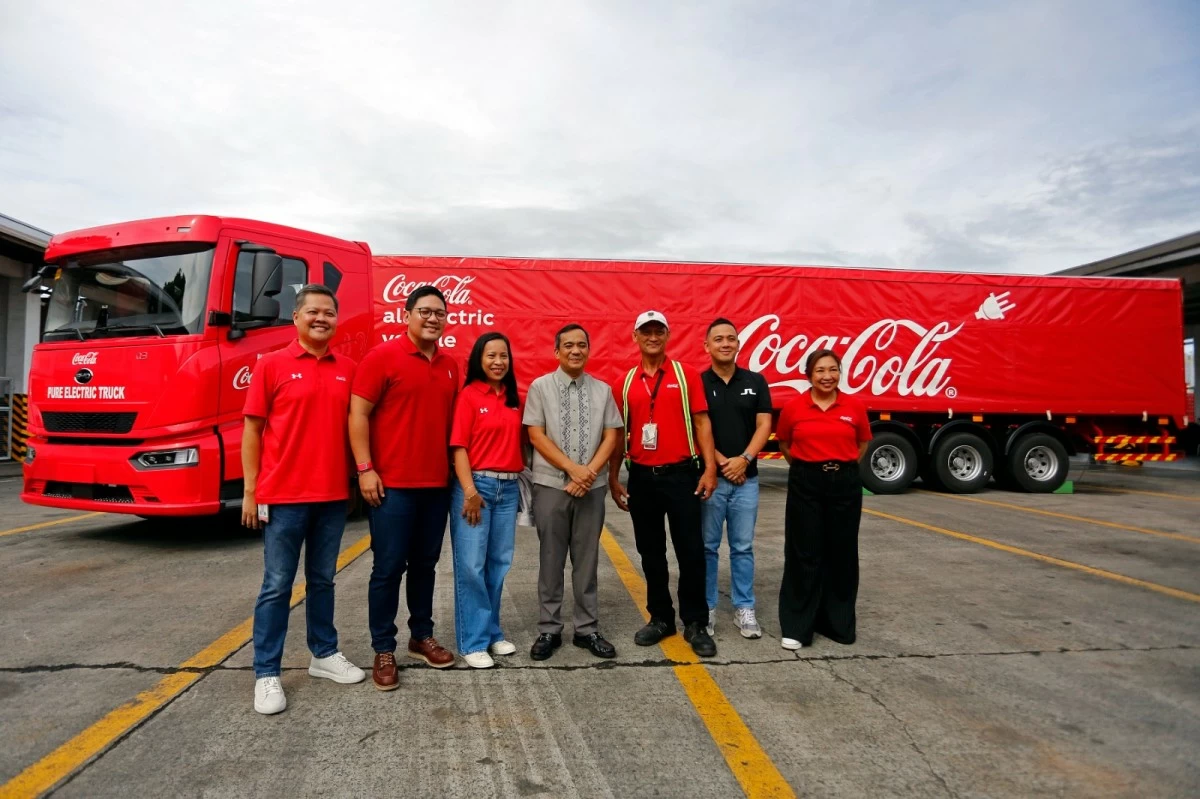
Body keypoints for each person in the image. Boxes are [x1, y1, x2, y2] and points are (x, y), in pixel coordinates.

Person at [243, 284, 365, 715]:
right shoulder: (271, 366)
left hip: (332, 496)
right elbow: (253, 431)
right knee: (276, 586)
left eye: (329, 313)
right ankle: (266, 673)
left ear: (336, 320)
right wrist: (249, 490)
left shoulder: (349, 368)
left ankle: (323, 654)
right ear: (295, 318)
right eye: (312, 311)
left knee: (323, 581)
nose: (321, 319)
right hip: (283, 497)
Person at [350, 285, 459, 690]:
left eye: (440, 313)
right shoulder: (382, 358)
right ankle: (383, 647)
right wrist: (365, 469)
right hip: (391, 487)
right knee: (387, 568)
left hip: (436, 486)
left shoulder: (451, 365)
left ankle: (420, 635)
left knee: (426, 566)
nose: (433, 319)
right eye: (425, 312)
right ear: (407, 314)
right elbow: (358, 414)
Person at [609, 310, 720, 658]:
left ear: (667, 336)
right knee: (650, 553)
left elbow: (702, 424)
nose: (652, 337)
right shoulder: (625, 383)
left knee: (690, 551)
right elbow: (617, 435)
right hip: (642, 477)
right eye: (646, 332)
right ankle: (661, 618)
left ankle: (695, 622)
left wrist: (710, 468)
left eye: (659, 331)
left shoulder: (686, 376)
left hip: (683, 474)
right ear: (635, 337)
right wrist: (614, 478)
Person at [524, 324, 623, 661]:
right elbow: (536, 435)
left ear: (588, 350)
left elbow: (612, 436)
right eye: (568, 345)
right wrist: (572, 469)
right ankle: (549, 629)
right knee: (550, 559)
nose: (576, 350)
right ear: (557, 351)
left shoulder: (603, 390)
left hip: (591, 489)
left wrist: (588, 472)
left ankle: (587, 629)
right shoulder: (540, 387)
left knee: (587, 559)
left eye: (582, 345)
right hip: (551, 485)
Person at [774, 348, 872, 650]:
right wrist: (811, 468)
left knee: (842, 553)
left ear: (840, 373)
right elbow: (785, 443)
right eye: (820, 370)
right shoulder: (795, 407)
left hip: (844, 482)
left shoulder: (854, 407)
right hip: (806, 481)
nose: (827, 376)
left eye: (833, 369)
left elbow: (863, 444)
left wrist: (840, 469)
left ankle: (837, 623)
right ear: (809, 375)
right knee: (804, 553)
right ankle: (797, 627)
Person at [448, 332, 525, 669]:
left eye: (503, 356)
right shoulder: (468, 395)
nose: (498, 362)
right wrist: (469, 492)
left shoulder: (513, 398)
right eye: (491, 355)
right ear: (479, 359)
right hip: (476, 487)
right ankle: (472, 642)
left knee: (499, 565)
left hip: (507, 490)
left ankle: (492, 633)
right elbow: (459, 448)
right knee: (471, 567)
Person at [700, 318, 773, 639]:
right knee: (708, 547)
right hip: (712, 480)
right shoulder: (698, 382)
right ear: (707, 346)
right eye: (718, 339)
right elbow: (699, 429)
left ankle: (745, 607)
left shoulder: (756, 381)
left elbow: (764, 426)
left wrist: (743, 460)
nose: (725, 343)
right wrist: (719, 464)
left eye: (731, 338)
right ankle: (708, 607)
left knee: (743, 547)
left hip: (748, 479)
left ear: (739, 344)